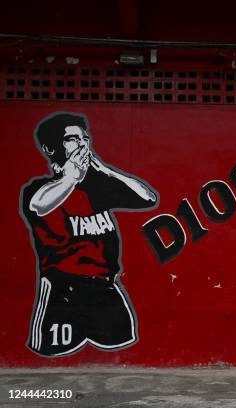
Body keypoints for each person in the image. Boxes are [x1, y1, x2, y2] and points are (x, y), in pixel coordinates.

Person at [20, 112, 158, 356]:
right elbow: (39, 205)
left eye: (84, 138)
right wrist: (70, 177)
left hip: (106, 289)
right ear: (51, 148)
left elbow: (147, 198)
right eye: (72, 139)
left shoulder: (97, 188)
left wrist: (105, 170)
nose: (83, 143)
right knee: (54, 361)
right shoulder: (38, 189)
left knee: (119, 355)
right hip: (63, 293)